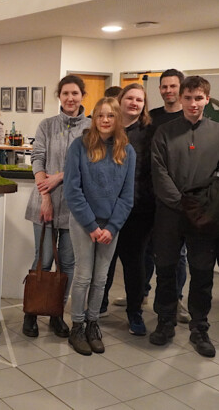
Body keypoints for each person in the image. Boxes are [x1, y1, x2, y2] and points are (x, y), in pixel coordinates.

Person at [149, 75, 219, 358]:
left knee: (202, 273)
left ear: (207, 100)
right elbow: (159, 171)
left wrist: (206, 206)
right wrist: (181, 203)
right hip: (170, 212)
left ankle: (200, 327)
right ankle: (165, 321)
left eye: (198, 98)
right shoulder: (164, 132)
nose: (192, 103)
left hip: (204, 216)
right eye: (187, 98)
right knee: (165, 269)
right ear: (181, 99)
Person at [118, 69, 189, 323]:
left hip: (165, 200)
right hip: (137, 201)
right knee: (143, 255)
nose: (169, 91)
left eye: (173, 86)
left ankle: (175, 301)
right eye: (164, 86)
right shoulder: (152, 119)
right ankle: (140, 295)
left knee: (174, 255)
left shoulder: (187, 117)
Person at [65, 97, 135, 355]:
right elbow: (72, 191)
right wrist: (92, 226)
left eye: (110, 116)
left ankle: (93, 322)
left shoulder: (127, 151)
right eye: (100, 116)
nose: (105, 120)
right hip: (85, 223)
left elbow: (127, 196)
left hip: (110, 226)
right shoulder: (79, 147)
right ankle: (77, 326)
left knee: (101, 278)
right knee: (83, 276)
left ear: (117, 120)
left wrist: (112, 226)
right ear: (94, 119)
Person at [23, 75, 91, 338]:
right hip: (44, 203)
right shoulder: (47, 125)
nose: (70, 98)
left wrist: (60, 177)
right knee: (43, 260)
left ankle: (55, 313)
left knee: (68, 264)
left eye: (75, 93)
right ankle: (31, 313)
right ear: (59, 96)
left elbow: (88, 164)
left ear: (82, 95)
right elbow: (37, 159)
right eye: (65, 94)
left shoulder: (91, 128)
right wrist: (46, 196)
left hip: (75, 207)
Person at [99, 84, 155, 336]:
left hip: (138, 209)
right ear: (120, 101)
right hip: (106, 208)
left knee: (134, 263)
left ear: (144, 105)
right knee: (105, 261)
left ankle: (135, 312)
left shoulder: (151, 133)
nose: (134, 103)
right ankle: (98, 305)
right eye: (129, 98)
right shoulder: (108, 128)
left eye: (139, 100)